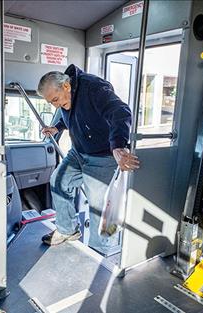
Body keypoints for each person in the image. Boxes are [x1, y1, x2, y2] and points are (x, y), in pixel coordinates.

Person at [38, 64, 140, 255]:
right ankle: (67, 230)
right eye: (51, 103)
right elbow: (71, 114)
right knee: (58, 181)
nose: (55, 105)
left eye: (55, 100)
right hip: (78, 152)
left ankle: (100, 252)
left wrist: (118, 145)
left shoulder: (94, 88)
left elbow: (121, 112)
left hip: (102, 156)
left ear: (66, 87)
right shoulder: (66, 95)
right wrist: (57, 127)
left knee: (98, 207)